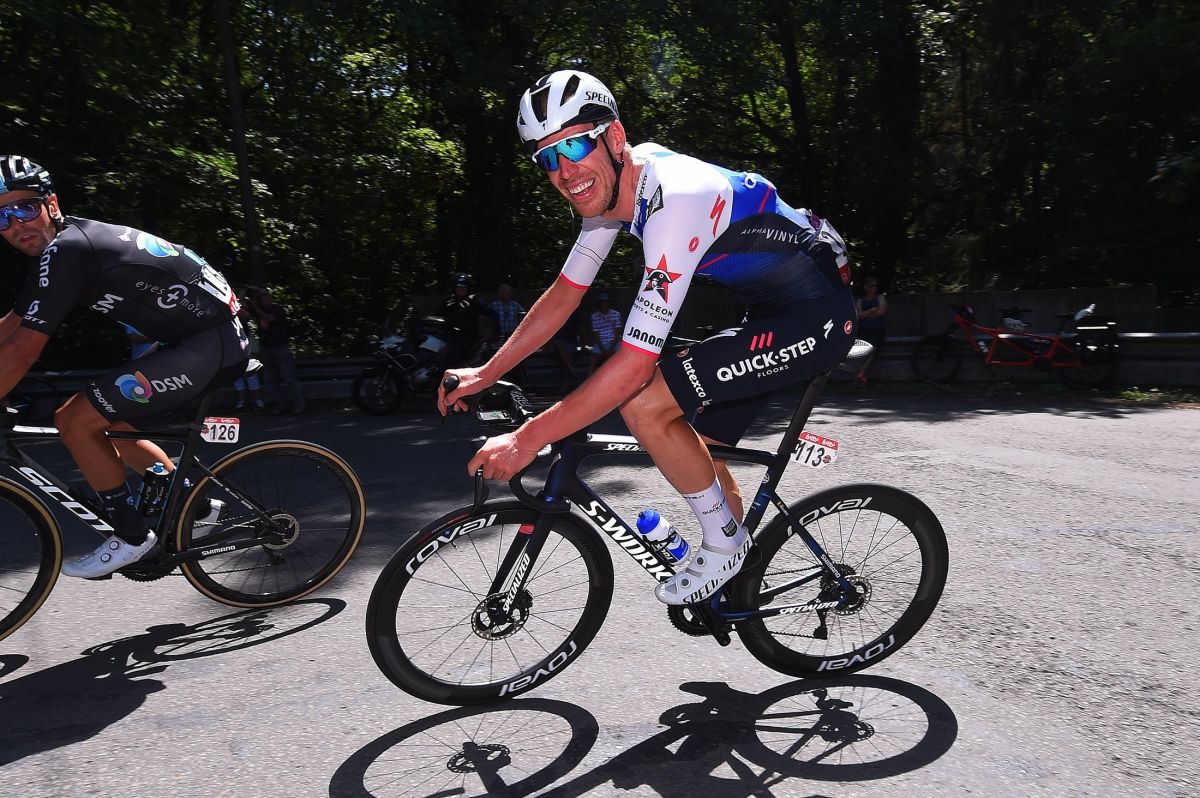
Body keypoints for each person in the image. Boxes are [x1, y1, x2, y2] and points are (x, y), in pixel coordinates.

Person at [440, 71, 856, 606]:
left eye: (574, 145)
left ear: (615, 138)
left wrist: (526, 440)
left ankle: (725, 545)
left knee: (644, 402)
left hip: (817, 318)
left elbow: (634, 366)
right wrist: (485, 373)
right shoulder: (614, 195)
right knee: (695, 446)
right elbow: (564, 296)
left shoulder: (675, 199)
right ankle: (735, 577)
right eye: (547, 158)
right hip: (768, 311)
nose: (565, 170)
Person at [0, 156, 249, 578]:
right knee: (107, 419)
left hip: (210, 343)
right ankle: (196, 505)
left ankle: (133, 538)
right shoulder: (60, 248)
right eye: (2, 217)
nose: (15, 223)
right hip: (196, 339)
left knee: (75, 419)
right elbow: (13, 324)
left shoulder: (68, 250)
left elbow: (23, 349)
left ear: (51, 203)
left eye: (24, 207)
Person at [241, 285, 305, 414]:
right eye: (259, 296)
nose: (261, 298)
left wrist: (254, 305)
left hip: (281, 348)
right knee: (271, 380)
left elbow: (267, 318)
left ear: (270, 297)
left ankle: (299, 405)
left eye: (264, 295)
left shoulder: (277, 309)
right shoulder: (257, 309)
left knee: (289, 379)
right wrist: (245, 292)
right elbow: (239, 309)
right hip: (266, 348)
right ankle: (279, 405)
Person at [439, 273, 492, 368]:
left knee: (454, 358)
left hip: (468, 337)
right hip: (449, 336)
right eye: (459, 287)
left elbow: (489, 313)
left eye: (464, 287)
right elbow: (438, 313)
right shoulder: (449, 301)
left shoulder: (474, 300)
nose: (461, 289)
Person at [853, 276, 887, 386]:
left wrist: (865, 313)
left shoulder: (880, 297)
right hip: (863, 330)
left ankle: (861, 375)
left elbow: (882, 312)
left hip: (877, 330)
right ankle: (860, 375)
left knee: (871, 349)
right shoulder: (860, 300)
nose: (874, 288)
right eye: (872, 285)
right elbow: (858, 316)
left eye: (876, 286)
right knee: (864, 350)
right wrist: (872, 310)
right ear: (865, 287)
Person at [587, 292, 622, 374]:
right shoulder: (594, 316)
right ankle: (589, 379)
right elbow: (596, 335)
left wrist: (610, 348)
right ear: (599, 304)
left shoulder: (616, 314)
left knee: (619, 356)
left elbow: (617, 334)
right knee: (593, 359)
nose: (604, 304)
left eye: (606, 302)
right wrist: (602, 349)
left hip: (613, 341)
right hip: (600, 342)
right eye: (602, 302)